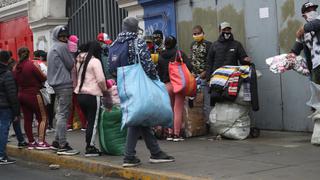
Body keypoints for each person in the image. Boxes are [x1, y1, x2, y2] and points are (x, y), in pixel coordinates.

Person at [111, 17, 174, 167]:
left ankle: (156, 152)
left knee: (140, 116)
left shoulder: (114, 43)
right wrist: (155, 79)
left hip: (123, 83)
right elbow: (147, 63)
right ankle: (129, 156)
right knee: (137, 118)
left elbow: (111, 67)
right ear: (134, 27)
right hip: (138, 84)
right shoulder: (137, 42)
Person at [47, 25, 79, 155]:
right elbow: (71, 64)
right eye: (62, 36)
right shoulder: (62, 47)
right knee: (63, 114)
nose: (65, 39)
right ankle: (63, 145)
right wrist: (72, 53)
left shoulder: (52, 47)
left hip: (56, 84)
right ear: (57, 36)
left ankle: (56, 141)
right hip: (64, 83)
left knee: (60, 112)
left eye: (66, 36)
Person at [13, 47, 50, 150]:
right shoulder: (32, 64)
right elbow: (43, 77)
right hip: (33, 94)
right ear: (29, 54)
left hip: (21, 95)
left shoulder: (16, 67)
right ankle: (41, 142)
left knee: (27, 119)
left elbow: (14, 81)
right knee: (43, 117)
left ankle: (31, 141)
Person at [74, 41, 107, 157]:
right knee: (93, 123)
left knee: (89, 122)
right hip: (93, 95)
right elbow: (101, 80)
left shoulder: (80, 61)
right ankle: (90, 147)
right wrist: (105, 91)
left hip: (80, 94)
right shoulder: (95, 61)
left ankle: (89, 144)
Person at [294, 2, 320, 145]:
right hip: (314, 69)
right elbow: (295, 49)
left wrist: (302, 28)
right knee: (317, 104)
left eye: (314, 9)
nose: (312, 11)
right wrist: (289, 58)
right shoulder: (303, 34)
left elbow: (312, 25)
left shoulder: (317, 22)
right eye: (309, 10)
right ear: (303, 14)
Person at [158, 36, 193, 141]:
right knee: (177, 109)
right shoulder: (179, 53)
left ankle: (169, 133)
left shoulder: (161, 55)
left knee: (170, 109)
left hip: (167, 85)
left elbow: (159, 72)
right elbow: (190, 66)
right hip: (178, 84)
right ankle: (177, 134)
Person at [0, 50, 19, 164]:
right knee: (3, 130)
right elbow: (12, 94)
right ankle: (1, 155)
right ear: (8, 60)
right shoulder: (7, 74)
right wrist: (16, 112)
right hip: (5, 106)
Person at [34, 50, 56, 133]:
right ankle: (50, 125)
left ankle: (45, 125)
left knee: (44, 108)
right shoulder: (51, 65)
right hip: (52, 89)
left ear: (41, 57)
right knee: (50, 108)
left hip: (44, 89)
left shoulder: (40, 65)